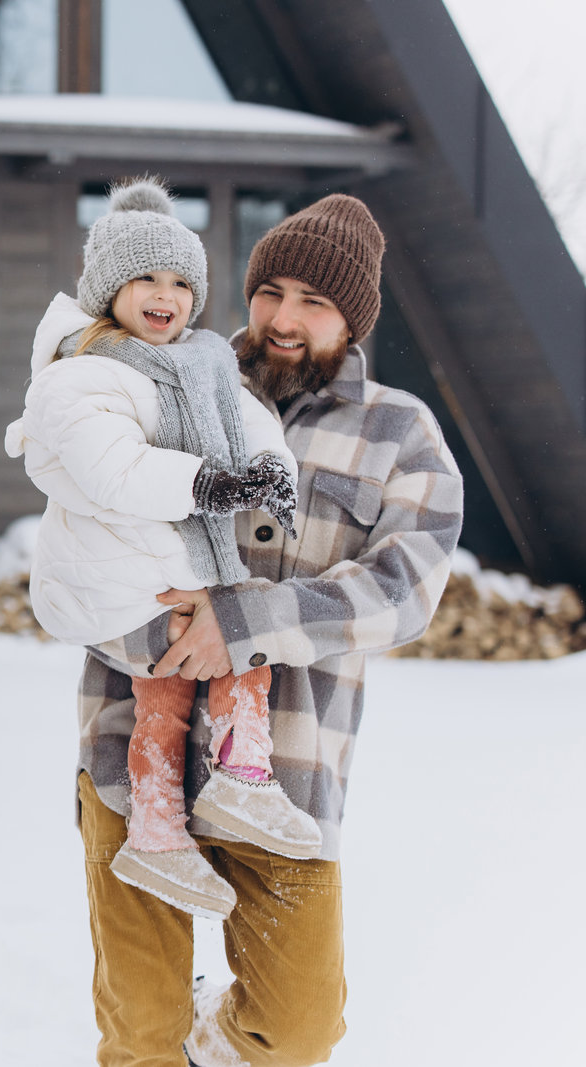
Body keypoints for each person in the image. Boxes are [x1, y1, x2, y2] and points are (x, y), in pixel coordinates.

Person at [77, 194, 464, 1066]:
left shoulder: (402, 435)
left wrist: (244, 623)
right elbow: (86, 544)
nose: (284, 319)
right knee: (139, 1033)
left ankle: (209, 1038)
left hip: (286, 773)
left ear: (353, 320)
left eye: (314, 302)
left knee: (295, 1030)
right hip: (132, 762)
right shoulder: (161, 383)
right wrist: (167, 634)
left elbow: (404, 591)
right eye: (270, 292)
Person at [5, 177, 322, 921]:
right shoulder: (82, 373)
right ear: (108, 288)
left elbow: (248, 419)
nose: (166, 295)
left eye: (181, 282)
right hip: (113, 577)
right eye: (146, 277)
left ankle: (156, 830)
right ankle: (241, 771)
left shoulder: (200, 360)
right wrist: (208, 484)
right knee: (232, 641)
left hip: (165, 567)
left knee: (170, 694)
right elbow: (114, 471)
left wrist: (272, 466)